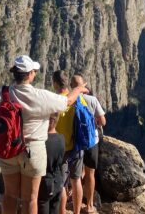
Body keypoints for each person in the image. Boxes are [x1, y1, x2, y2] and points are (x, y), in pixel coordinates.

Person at [0, 55, 89, 214]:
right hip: (33, 150)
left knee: (10, 195)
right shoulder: (40, 96)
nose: (35, 73)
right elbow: (67, 102)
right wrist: (78, 89)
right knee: (30, 199)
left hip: (8, 149)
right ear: (29, 75)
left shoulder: (3, 93)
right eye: (34, 71)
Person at [71, 74, 106, 214]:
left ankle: (75, 206)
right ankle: (89, 205)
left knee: (75, 174)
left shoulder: (69, 100)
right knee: (90, 173)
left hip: (75, 142)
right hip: (91, 141)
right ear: (83, 85)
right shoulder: (92, 100)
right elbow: (103, 121)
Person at [52, 70, 85, 214]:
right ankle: (77, 212)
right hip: (77, 146)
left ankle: (62, 211)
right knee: (76, 180)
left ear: (55, 83)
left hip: (62, 149)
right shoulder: (79, 99)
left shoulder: (55, 101)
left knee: (61, 184)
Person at [37, 113, 66, 214]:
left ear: (49, 121)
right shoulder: (61, 138)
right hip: (58, 180)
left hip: (45, 181)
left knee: (42, 206)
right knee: (54, 208)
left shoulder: (43, 141)